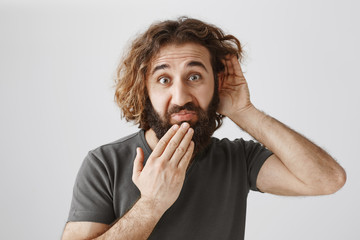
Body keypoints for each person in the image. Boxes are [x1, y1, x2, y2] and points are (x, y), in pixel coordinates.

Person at [61, 17, 346, 240]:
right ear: (144, 90)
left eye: (194, 76)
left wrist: (244, 112)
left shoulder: (238, 159)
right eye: (163, 80)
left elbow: (327, 179)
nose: (181, 96)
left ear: (216, 85)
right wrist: (151, 204)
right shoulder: (104, 164)